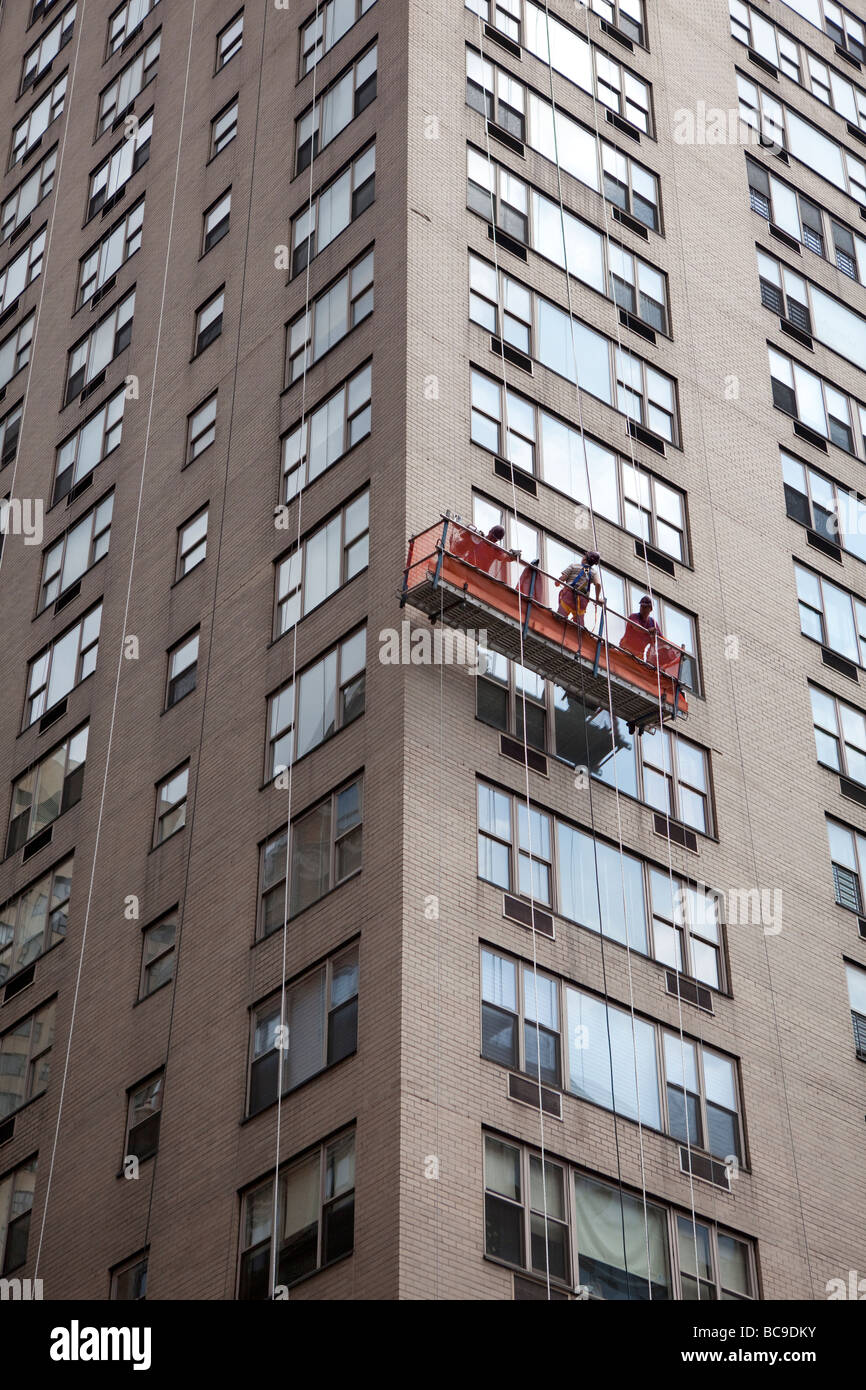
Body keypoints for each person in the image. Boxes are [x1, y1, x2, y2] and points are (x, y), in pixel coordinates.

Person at [557, 550, 601, 624]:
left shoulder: (573, 566)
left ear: (584, 558)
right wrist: (597, 598)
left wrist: (557, 582)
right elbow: (598, 584)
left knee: (559, 617)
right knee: (578, 624)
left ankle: (558, 623)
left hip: (568, 595)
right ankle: (578, 630)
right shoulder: (594, 573)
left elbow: (562, 578)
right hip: (582, 600)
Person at [620, 595, 658, 661]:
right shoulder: (634, 616)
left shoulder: (652, 623)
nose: (642, 609)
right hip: (625, 650)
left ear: (651, 609)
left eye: (645, 607)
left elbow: (659, 639)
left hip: (638, 656)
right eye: (641, 606)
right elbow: (636, 627)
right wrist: (648, 631)